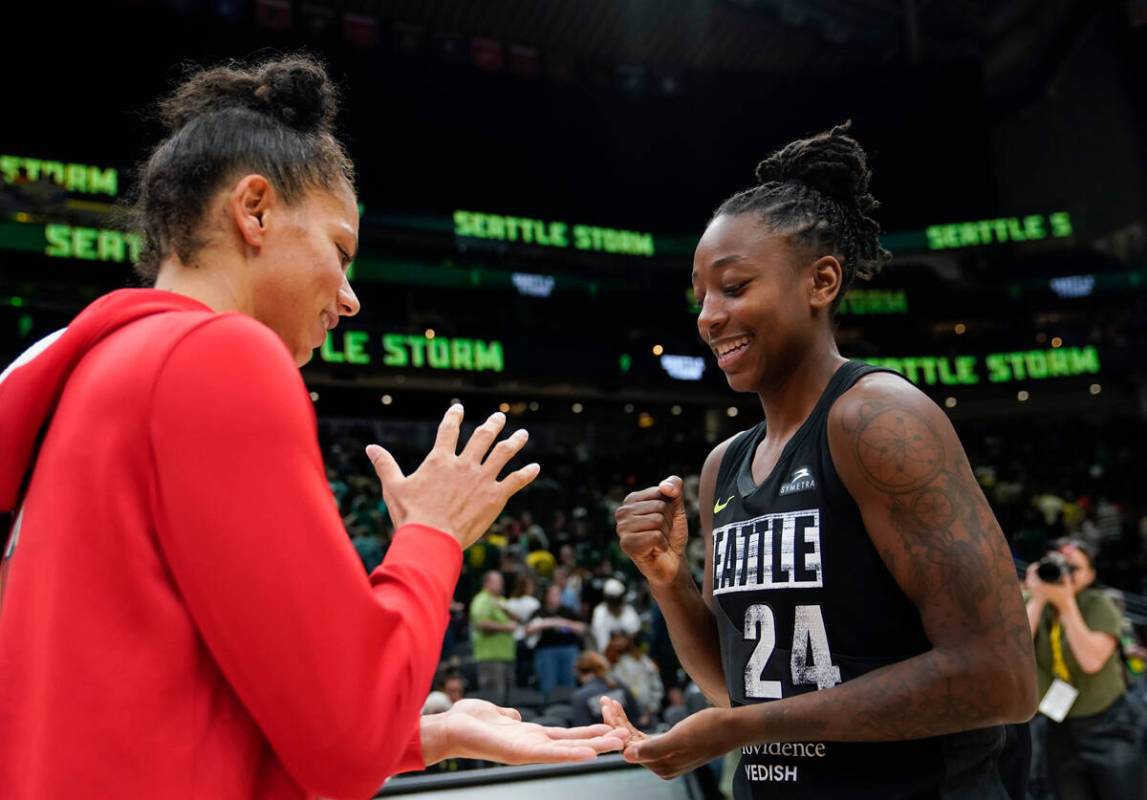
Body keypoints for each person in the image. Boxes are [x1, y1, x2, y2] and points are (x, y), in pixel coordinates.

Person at [0, 56, 622, 800]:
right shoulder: (218, 354)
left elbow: (163, 706)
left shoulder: (82, 373)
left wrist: (434, 732)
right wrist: (431, 535)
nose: (351, 297)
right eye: (341, 251)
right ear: (254, 210)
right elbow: (346, 744)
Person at [606, 123, 1037, 798]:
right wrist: (668, 582)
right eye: (700, 296)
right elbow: (733, 683)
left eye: (733, 286)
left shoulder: (877, 420)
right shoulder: (724, 464)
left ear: (821, 281)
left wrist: (742, 728)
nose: (707, 316)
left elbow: (1000, 678)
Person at [1025, 538, 1145, 799]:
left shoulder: (1098, 603)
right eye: (1056, 564)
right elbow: (1012, 650)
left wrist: (1066, 603)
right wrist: (1036, 599)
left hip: (1109, 723)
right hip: (1059, 727)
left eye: (1073, 567)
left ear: (1091, 574)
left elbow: (1091, 661)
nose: (1063, 572)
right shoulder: (1036, 603)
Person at [527, 582, 588, 695]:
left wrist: (563, 623)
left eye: (558, 594)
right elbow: (528, 630)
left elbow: (582, 628)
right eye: (553, 594)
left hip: (568, 649)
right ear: (546, 596)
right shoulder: (539, 612)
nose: (556, 597)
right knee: (547, 684)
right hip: (546, 651)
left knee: (570, 682)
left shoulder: (567, 611)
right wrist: (548, 623)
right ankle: (548, 707)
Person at [470, 570, 518, 704]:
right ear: (486, 583)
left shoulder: (501, 600)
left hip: (506, 655)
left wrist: (507, 611)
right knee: (493, 700)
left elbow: (517, 619)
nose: (501, 584)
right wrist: (506, 627)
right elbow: (481, 624)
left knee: (508, 701)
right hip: (490, 658)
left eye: (501, 581)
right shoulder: (482, 599)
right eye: (497, 581)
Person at [571, 651, 643, 728]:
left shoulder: (580, 696)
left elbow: (582, 728)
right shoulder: (618, 685)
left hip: (603, 738)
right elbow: (637, 716)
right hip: (630, 734)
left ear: (579, 672)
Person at [590, 577, 642, 650]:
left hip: (629, 653)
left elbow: (635, 632)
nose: (615, 604)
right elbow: (602, 643)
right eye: (612, 601)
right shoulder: (599, 612)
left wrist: (625, 640)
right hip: (608, 656)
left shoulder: (629, 610)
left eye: (617, 600)